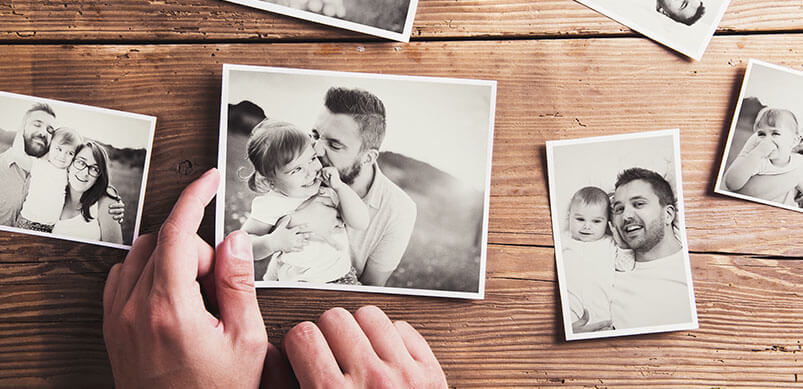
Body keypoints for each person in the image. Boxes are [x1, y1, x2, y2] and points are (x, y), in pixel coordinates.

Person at [102, 168, 448, 388]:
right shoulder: (274, 205)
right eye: (300, 162)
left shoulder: (331, 194)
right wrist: (270, 242)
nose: (315, 164)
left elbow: (357, 220)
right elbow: (250, 239)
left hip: (335, 277)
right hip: (292, 273)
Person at [311, 87, 417, 286]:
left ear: (368, 157)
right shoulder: (302, 173)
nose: (316, 150)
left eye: (334, 145)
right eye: (315, 135)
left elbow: (370, 287)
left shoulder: (399, 210)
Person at [241, 120, 368, 284]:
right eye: (297, 169)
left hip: (341, 278)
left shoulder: (328, 190)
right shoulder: (271, 205)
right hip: (296, 283)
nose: (311, 171)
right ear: (269, 182)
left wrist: (340, 188)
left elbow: (361, 222)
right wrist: (271, 242)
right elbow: (244, 245)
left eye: (312, 159)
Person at [0, 103, 125, 229]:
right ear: (22, 126)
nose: (43, 132)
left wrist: (111, 198)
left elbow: (86, 176)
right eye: (37, 124)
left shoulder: (63, 170)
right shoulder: (27, 165)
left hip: (48, 228)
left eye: (50, 130)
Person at [607, 167, 693, 330]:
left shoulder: (691, 269)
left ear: (668, 214)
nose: (626, 216)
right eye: (619, 209)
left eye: (638, 204)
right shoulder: (606, 271)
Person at [562, 186, 633, 334]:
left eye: (596, 221)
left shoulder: (610, 243)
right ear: (569, 216)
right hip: (570, 313)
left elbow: (625, 266)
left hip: (602, 315)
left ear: (607, 222)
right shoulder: (564, 240)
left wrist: (622, 245)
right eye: (580, 219)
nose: (587, 226)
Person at [723, 107, 803, 207]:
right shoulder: (759, 161)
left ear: (795, 141)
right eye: (761, 134)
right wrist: (757, 153)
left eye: (775, 133)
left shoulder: (799, 161)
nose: (766, 140)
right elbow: (731, 182)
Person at [52, 141, 124, 244]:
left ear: (99, 177)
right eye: (81, 162)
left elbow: (116, 254)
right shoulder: (52, 192)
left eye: (94, 169)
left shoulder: (106, 204)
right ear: (70, 164)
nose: (85, 173)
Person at [15, 127, 83, 233]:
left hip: (50, 227)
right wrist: (22, 131)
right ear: (50, 147)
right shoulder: (39, 164)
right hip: (27, 221)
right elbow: (18, 157)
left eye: (70, 153)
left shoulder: (69, 173)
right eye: (59, 149)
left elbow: (85, 183)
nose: (62, 156)